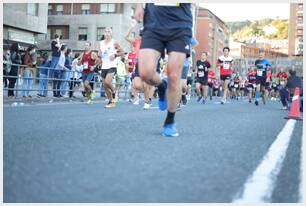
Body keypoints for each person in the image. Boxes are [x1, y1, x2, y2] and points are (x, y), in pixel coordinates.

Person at [135, 3, 193, 137]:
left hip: (180, 25)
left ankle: (170, 120)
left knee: (174, 76)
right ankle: (161, 86)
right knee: (145, 72)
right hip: (153, 23)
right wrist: (138, 5)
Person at [99, 27, 124, 108]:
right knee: (105, 86)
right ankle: (111, 101)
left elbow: (122, 52)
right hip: (104, 66)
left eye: (108, 31)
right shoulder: (101, 43)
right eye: (105, 31)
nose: (107, 33)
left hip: (112, 65)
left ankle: (114, 91)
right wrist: (98, 56)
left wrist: (115, 55)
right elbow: (100, 53)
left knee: (107, 82)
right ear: (104, 33)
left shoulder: (114, 42)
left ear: (111, 33)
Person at [180, 37, 198, 106]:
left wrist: (188, 48)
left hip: (185, 64)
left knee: (183, 85)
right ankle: (177, 101)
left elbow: (195, 43)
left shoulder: (187, 35)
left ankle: (183, 95)